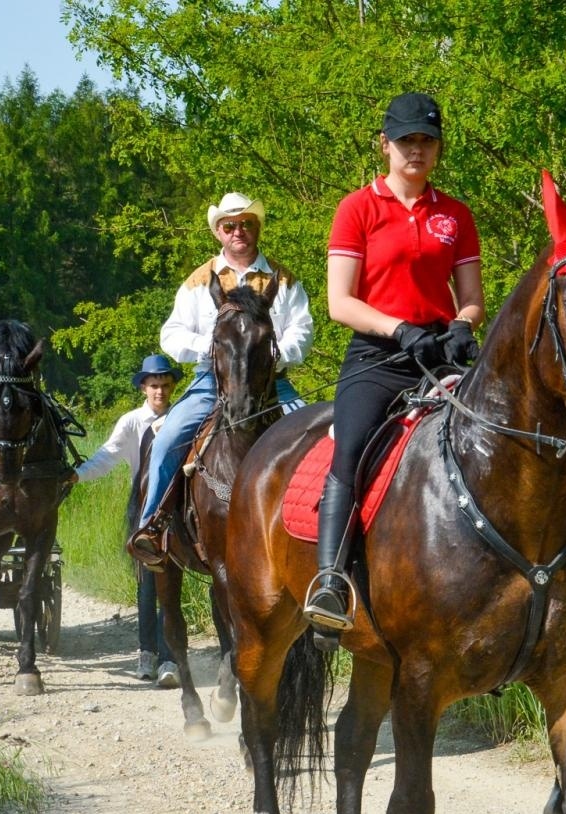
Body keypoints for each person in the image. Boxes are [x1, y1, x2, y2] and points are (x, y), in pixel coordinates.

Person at [302, 91, 485, 632]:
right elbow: (340, 302)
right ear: (385, 145)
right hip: (377, 356)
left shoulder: (455, 214)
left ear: (438, 149)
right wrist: (397, 328)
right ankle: (332, 579)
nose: (417, 151)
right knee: (352, 447)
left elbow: (471, 296)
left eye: (427, 141)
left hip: (439, 354)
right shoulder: (357, 208)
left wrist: (462, 324)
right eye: (407, 141)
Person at [126, 192, 314, 566]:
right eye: (230, 226)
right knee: (166, 441)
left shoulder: (283, 278)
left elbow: (302, 330)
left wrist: (275, 355)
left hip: (271, 383)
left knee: (318, 441)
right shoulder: (199, 280)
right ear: (218, 232)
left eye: (245, 223)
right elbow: (172, 332)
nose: (238, 231)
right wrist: (210, 351)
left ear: (256, 227)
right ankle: (153, 524)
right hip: (212, 382)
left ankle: (318, 531)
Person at [73, 354, 182, 686]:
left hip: (175, 506)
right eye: (153, 386)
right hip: (142, 507)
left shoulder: (182, 418)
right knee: (146, 584)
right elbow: (107, 456)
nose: (159, 392)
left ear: (172, 386)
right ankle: (146, 652)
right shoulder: (132, 422)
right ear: (143, 389)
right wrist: (76, 476)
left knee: (171, 585)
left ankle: (170, 659)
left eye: (164, 386)